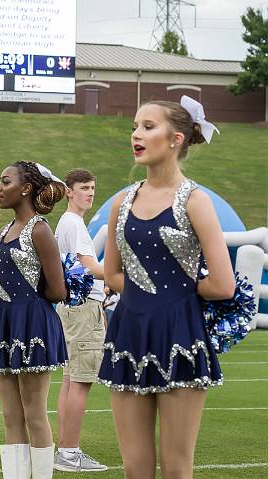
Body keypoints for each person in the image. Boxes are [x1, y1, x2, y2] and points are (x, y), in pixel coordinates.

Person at [98, 97, 234, 478]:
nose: (136, 135)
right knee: (135, 467)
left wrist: (171, 293)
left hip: (180, 336)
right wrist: (152, 291)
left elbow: (223, 285)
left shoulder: (195, 201)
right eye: (134, 127)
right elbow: (112, 275)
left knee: (176, 467)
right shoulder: (122, 202)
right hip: (128, 335)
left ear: (176, 138)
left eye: (147, 126)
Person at [0, 161, 68, 478]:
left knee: (34, 412)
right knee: (10, 414)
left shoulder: (41, 230)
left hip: (32, 323)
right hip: (4, 323)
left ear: (26, 188)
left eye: (5, 182)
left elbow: (57, 290)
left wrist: (26, 303)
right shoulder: (4, 230)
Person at [54, 168, 108, 472]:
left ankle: (66, 449)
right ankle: (70, 453)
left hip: (75, 307)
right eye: (84, 187)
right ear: (68, 191)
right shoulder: (73, 223)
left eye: (93, 187)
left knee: (70, 380)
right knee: (81, 381)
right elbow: (90, 267)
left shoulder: (71, 223)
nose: (90, 192)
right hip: (83, 308)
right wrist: (125, 273)